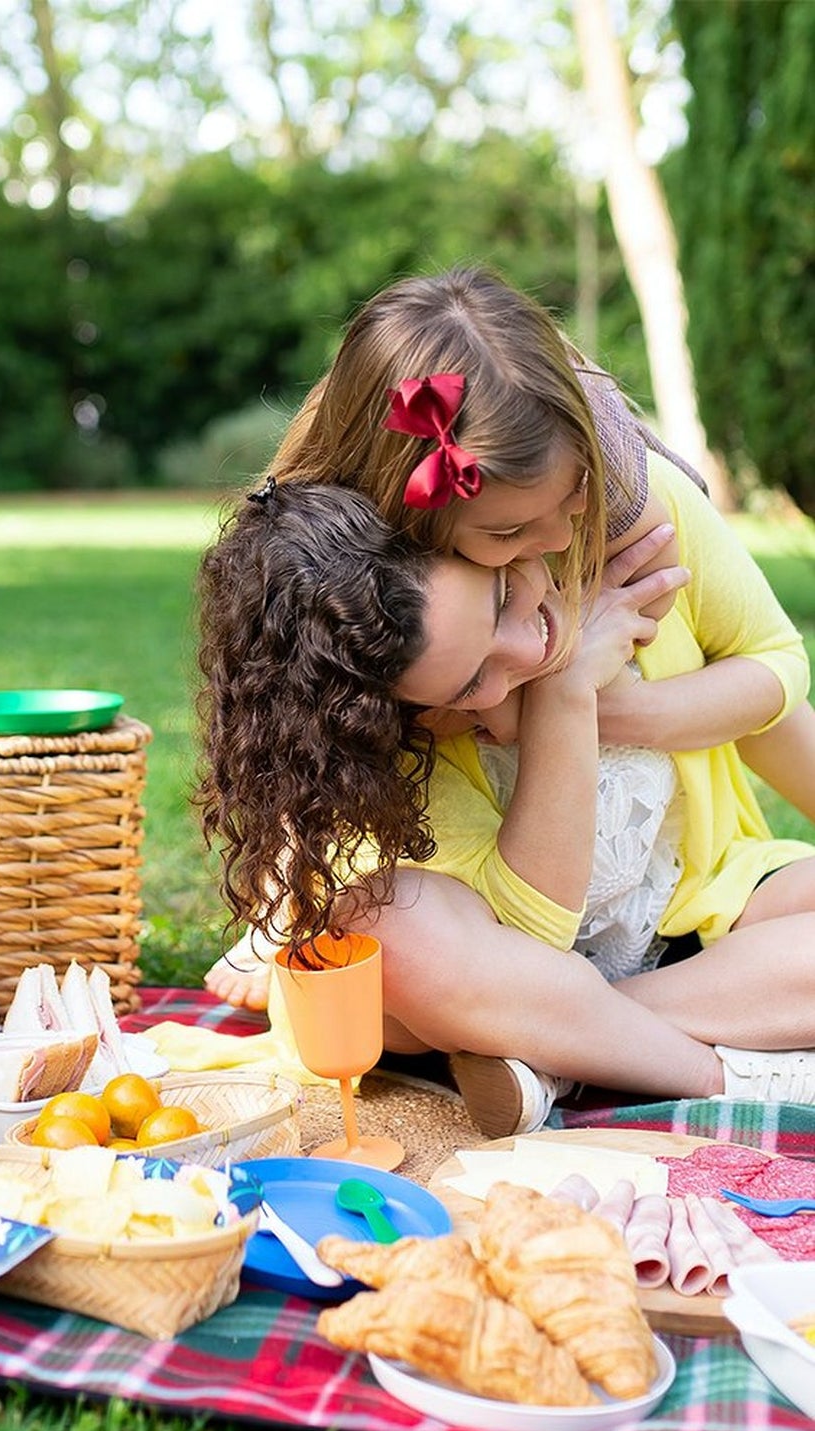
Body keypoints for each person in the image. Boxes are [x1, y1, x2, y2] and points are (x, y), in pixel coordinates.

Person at [203, 265, 815, 1015]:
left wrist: (609, 707)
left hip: (693, 892)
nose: (557, 536)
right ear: (411, 520)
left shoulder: (635, 515)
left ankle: (593, 1032)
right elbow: (308, 757)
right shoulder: (383, 625)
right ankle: (603, 1025)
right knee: (389, 962)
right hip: (495, 928)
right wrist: (553, 695)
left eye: (573, 495)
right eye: (506, 534)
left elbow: (776, 667)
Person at [171, 473, 815, 1135]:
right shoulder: (401, 722)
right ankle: (720, 1072)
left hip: (687, 920)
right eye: (472, 678)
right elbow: (532, 940)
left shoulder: (625, 537)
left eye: (504, 594)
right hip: (497, 973)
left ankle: (561, 1057)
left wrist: (611, 703)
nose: (525, 646)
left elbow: (772, 686)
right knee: (388, 928)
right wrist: (561, 694)